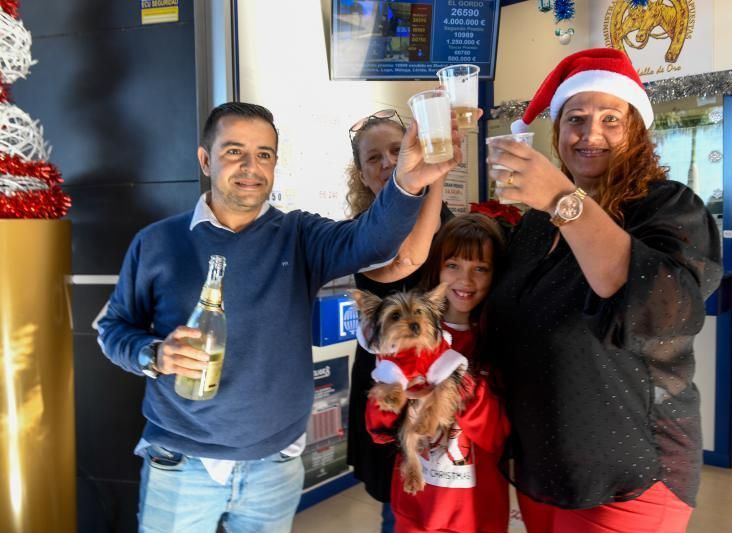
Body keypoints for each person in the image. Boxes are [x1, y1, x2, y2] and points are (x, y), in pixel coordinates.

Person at [95, 101, 461, 532]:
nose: (251, 166)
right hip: (181, 463)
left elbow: (373, 243)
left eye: (264, 154)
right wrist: (154, 353)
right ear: (205, 159)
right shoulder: (157, 242)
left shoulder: (299, 235)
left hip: (274, 465)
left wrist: (410, 181)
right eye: (234, 152)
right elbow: (111, 330)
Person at [485, 48, 723, 532]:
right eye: (576, 118)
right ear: (557, 132)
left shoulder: (666, 207)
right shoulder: (533, 225)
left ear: (635, 130)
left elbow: (659, 311)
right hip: (543, 469)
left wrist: (560, 197)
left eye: (611, 118)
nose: (590, 133)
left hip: (631, 472)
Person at [344, 108, 455, 532]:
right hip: (388, 383)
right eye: (374, 158)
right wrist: (435, 175)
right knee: (402, 504)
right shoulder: (361, 232)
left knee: (453, 497)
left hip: (445, 381)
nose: (389, 162)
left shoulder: (455, 224)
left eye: (397, 150)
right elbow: (408, 258)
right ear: (361, 173)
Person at [366, 213, 511, 533]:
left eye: (481, 269)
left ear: (495, 274)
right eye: (454, 265)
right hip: (416, 509)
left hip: (476, 514)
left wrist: (460, 385)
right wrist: (396, 398)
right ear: (436, 268)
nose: (466, 280)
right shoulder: (405, 335)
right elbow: (377, 428)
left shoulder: (501, 340)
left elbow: (497, 435)